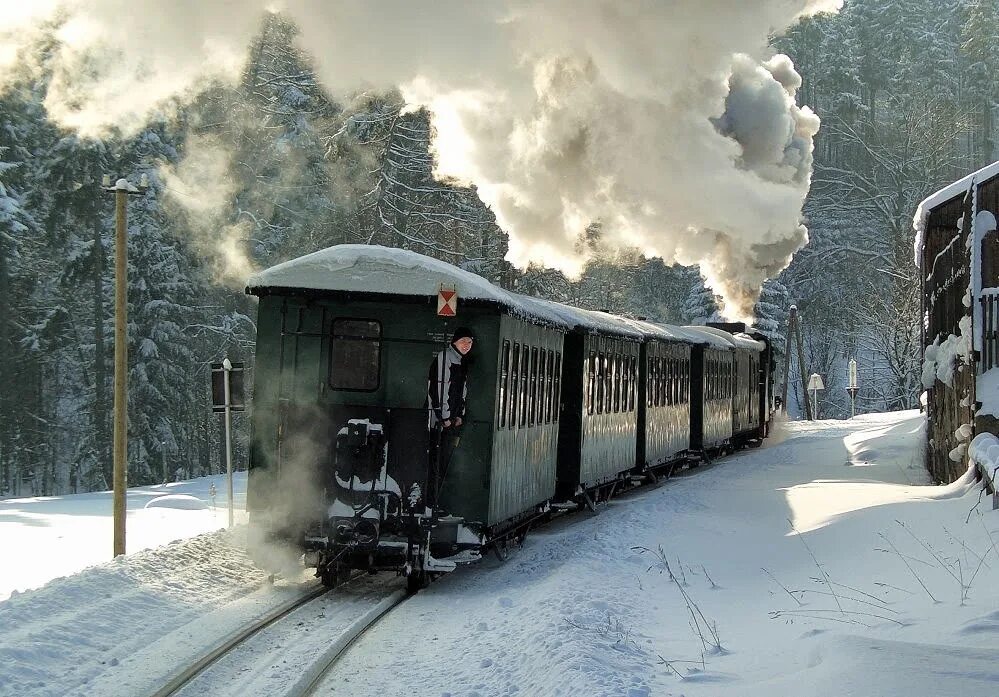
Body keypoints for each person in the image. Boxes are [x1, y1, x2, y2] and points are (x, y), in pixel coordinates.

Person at [426, 327, 474, 510]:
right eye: (463, 342)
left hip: (449, 420)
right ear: (454, 342)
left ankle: (436, 501)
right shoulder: (445, 358)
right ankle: (431, 503)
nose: (466, 346)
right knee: (436, 462)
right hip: (438, 421)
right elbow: (438, 389)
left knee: (444, 462)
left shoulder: (461, 362)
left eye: (469, 343)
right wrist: (443, 416)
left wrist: (459, 414)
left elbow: (462, 390)